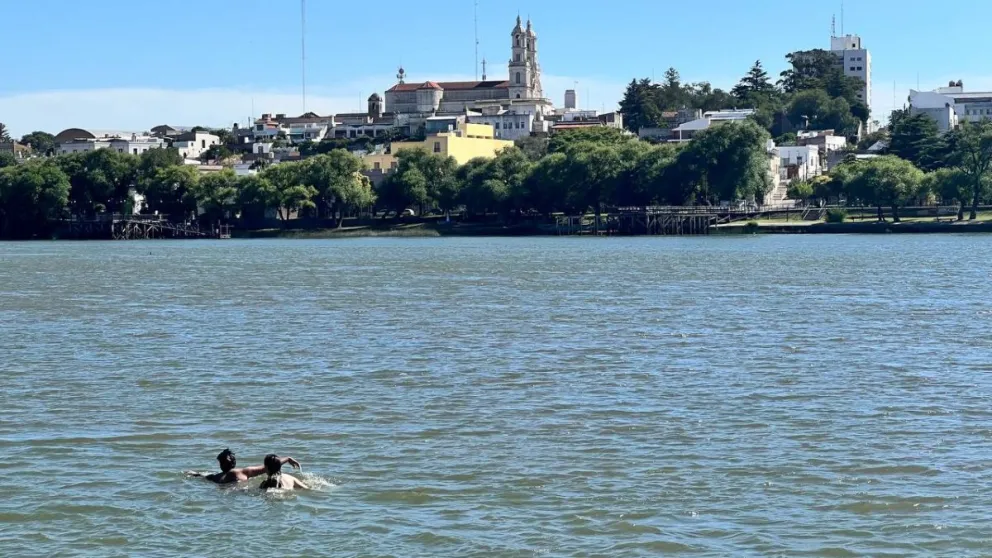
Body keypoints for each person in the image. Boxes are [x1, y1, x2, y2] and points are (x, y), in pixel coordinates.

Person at [187, 448, 301, 484]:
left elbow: (205, 476)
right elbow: (270, 466)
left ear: (221, 464)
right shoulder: (244, 471)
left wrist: (194, 474)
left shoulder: (218, 477)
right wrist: (288, 458)